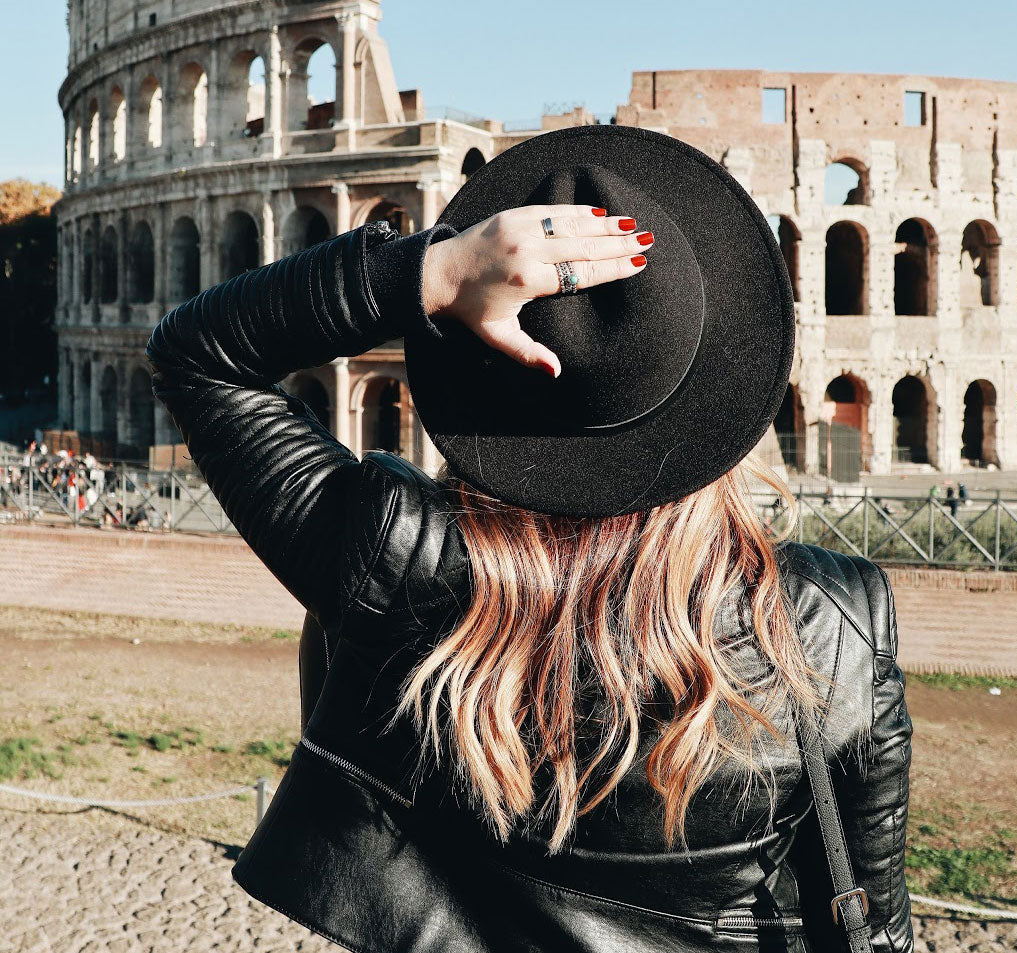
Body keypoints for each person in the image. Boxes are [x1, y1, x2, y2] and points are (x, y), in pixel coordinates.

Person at [147, 125, 912, 953]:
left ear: (481, 361)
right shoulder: (830, 624)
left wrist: (430, 272)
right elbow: (871, 923)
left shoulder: (397, 564)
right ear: (723, 381)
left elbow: (198, 355)